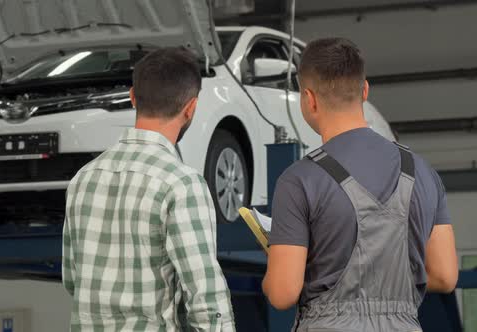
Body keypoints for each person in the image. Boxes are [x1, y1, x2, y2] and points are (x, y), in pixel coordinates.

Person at [262, 38, 458, 331]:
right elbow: (444, 275)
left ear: (309, 99)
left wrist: (280, 271)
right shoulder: (423, 172)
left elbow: (282, 293)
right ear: (364, 91)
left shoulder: (299, 180)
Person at [62, 47, 235, 331]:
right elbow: (205, 298)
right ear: (191, 108)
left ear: (132, 97)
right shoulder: (181, 184)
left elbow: (72, 279)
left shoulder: (83, 178)